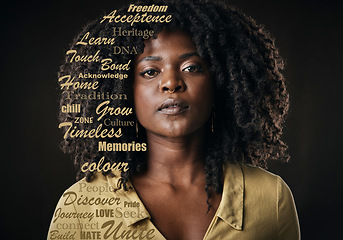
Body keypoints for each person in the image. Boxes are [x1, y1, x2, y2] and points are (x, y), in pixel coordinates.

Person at [48, 0, 300, 239]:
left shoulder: (272, 198)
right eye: (150, 72)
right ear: (124, 91)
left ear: (221, 83)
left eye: (192, 67)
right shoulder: (80, 207)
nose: (171, 83)